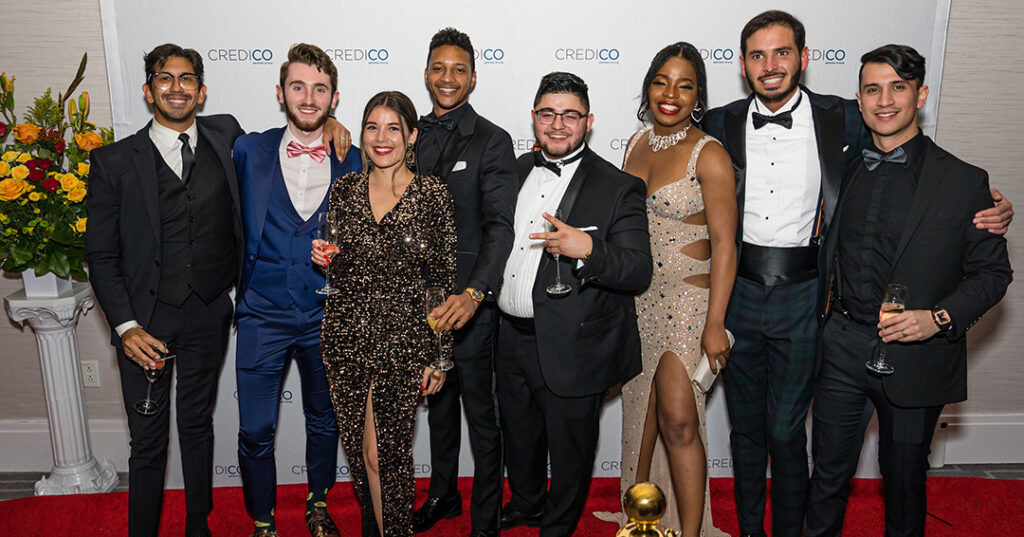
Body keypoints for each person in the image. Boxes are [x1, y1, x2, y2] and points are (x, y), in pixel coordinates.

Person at [702, 11, 1014, 537]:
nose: (771, 65)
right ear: (742, 65)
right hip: (740, 291)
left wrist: (991, 207)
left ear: (804, 59)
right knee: (749, 433)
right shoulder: (718, 122)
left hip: (806, 297)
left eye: (783, 53)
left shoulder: (843, 118)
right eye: (758, 55)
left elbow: (933, 173)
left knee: (788, 434)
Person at [805, 44, 1012, 537]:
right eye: (873, 88)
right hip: (841, 344)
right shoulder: (839, 169)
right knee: (827, 478)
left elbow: (992, 275)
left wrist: (936, 318)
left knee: (903, 482)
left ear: (919, 95)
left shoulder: (964, 182)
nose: (885, 100)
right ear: (859, 99)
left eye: (898, 87)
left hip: (917, 354)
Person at [84, 43, 243, 537]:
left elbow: (278, 143)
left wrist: (326, 125)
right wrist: (126, 328)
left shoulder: (225, 133)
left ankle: (199, 525)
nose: (177, 87)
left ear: (202, 89)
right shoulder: (113, 162)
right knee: (147, 441)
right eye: (165, 78)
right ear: (149, 89)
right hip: (146, 323)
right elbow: (102, 255)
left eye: (187, 78)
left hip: (209, 312)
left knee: (197, 424)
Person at [495, 71, 652, 537]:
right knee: (518, 438)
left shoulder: (617, 186)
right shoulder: (516, 170)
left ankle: (558, 526)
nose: (558, 124)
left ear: (588, 122)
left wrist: (589, 249)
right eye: (548, 114)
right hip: (509, 336)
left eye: (570, 115)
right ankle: (526, 504)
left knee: (570, 448)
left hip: (574, 343)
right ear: (534, 118)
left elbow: (637, 269)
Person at [312, 90, 457, 537]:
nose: (381, 137)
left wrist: (439, 355)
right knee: (360, 453)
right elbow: (342, 260)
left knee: (386, 455)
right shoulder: (345, 189)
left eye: (393, 128)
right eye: (372, 127)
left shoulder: (432, 194)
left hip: (405, 340)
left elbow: (442, 281)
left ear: (411, 135)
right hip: (345, 337)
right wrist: (326, 257)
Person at [606, 42, 736, 537]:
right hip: (637, 299)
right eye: (662, 81)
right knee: (640, 416)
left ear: (698, 94)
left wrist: (715, 323)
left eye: (685, 85)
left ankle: (692, 527)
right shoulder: (636, 144)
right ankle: (638, 521)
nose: (671, 94)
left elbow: (725, 245)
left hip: (687, 303)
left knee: (679, 419)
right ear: (648, 86)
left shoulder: (710, 154)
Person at [231, 43, 361, 537]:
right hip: (260, 313)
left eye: (320, 89)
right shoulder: (248, 148)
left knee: (324, 418)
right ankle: (263, 519)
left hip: (325, 313)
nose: (308, 98)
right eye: (299, 86)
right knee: (255, 429)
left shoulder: (353, 159)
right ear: (281, 93)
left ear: (334, 98)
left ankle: (318, 502)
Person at [410, 28, 518, 537]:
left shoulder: (492, 140)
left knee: (482, 416)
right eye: (439, 67)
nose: (447, 78)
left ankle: (485, 521)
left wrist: (475, 293)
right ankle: (443, 494)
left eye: (458, 69)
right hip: (420, 305)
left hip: (469, 304)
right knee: (438, 408)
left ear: (473, 76)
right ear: (427, 73)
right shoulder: (408, 132)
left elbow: (501, 226)